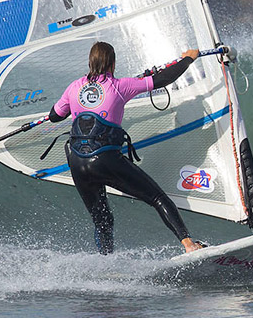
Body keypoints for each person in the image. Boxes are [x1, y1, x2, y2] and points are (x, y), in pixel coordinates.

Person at [46, 41, 206, 255]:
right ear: (112, 63)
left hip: (77, 162)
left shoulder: (74, 87)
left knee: (102, 221)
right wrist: (189, 58)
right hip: (105, 159)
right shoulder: (121, 86)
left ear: (90, 62)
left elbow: (55, 116)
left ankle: (106, 263)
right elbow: (163, 79)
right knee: (158, 198)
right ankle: (189, 245)